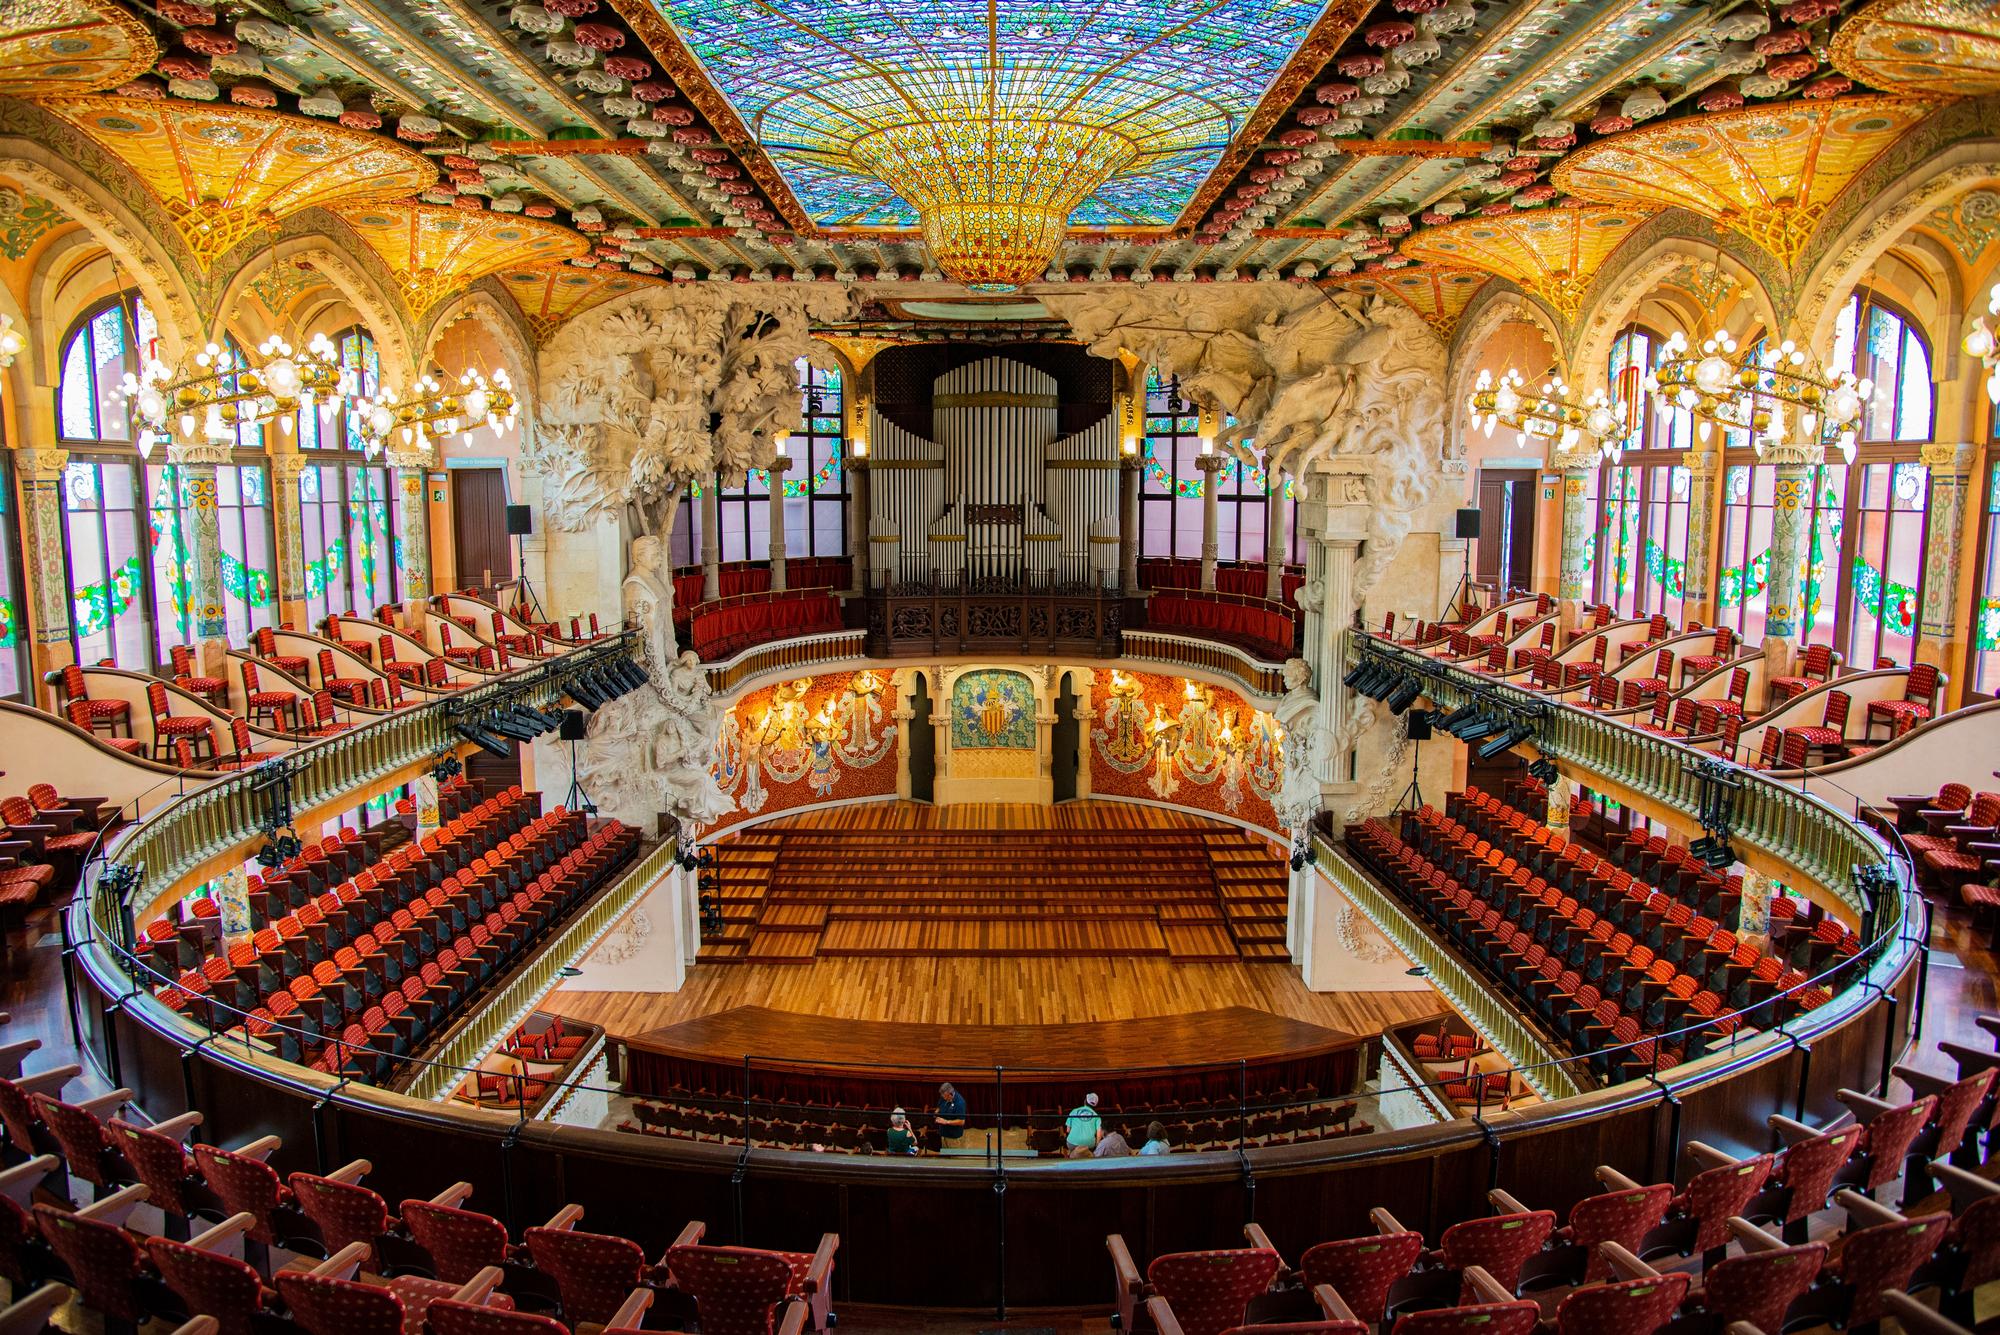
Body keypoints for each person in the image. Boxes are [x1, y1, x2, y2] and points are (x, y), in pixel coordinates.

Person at [1065, 1092, 1101, 1157]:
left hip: (1072, 1143)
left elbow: (1068, 1130)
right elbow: (1099, 1135)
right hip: (1089, 1145)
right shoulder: (1097, 1116)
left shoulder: (1074, 1111)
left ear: (1085, 1101)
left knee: (1072, 1151)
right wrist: (1097, 1146)